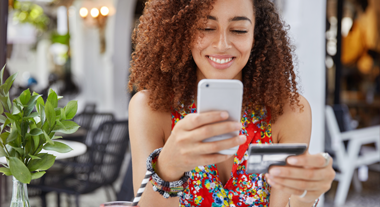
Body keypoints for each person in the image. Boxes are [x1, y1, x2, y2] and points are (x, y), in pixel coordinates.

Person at [128, 0, 335, 206]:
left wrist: (305, 196)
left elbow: (290, 201)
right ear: (183, 31)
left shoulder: (288, 113)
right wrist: (167, 168)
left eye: (238, 30)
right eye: (206, 28)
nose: (222, 44)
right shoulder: (151, 109)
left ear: (257, 34)